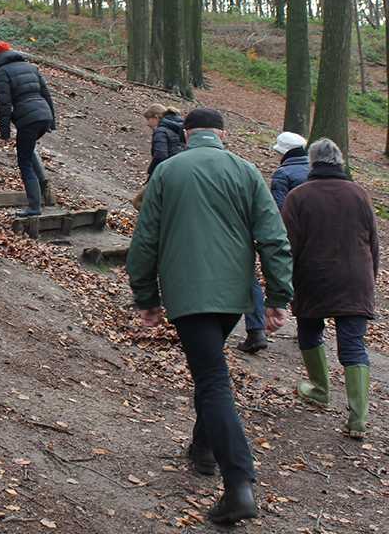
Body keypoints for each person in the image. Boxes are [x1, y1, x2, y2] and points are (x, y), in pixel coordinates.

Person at [126, 107, 293, 525]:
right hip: (232, 297)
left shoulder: (168, 171)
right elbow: (273, 238)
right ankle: (203, 451)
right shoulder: (246, 171)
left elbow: (145, 237)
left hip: (187, 294)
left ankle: (239, 483)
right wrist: (277, 297)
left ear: (186, 133)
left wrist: (145, 295)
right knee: (210, 371)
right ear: (222, 134)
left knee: (213, 380)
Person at [281, 138, 379, 439]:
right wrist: (369, 277)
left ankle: (320, 390)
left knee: (310, 332)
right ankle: (358, 419)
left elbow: (288, 244)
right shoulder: (359, 194)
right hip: (355, 279)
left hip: (314, 278)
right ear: (340, 162)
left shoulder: (298, 197)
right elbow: (373, 242)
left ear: (312, 163)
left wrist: (284, 282)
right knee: (353, 345)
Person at [237, 131, 309, 354]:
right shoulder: (316, 170)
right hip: (316, 237)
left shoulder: (283, 173)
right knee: (307, 278)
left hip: (288, 235)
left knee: (267, 276)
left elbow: (278, 210)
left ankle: (258, 327)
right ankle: (309, 328)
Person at [0, 41, 56, 216]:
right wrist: (52, 121)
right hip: (44, 115)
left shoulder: (2, 72)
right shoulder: (31, 67)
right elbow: (46, 93)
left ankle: (34, 207)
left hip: (28, 120)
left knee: (24, 161)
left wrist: (4, 132)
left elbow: (4, 104)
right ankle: (43, 187)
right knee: (28, 150)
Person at [132, 104, 185, 211]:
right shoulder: (180, 129)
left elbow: (160, 156)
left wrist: (152, 174)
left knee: (138, 202)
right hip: (183, 174)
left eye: (148, 119)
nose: (147, 124)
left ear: (156, 117)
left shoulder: (161, 131)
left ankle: (152, 224)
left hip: (166, 175)